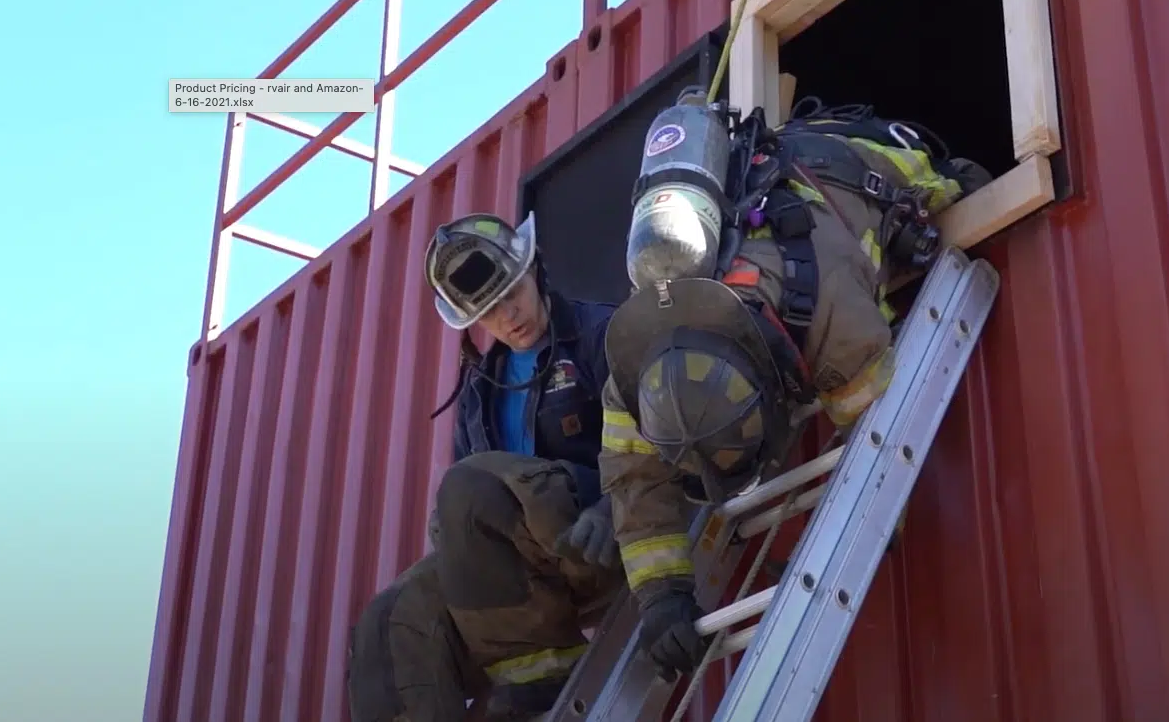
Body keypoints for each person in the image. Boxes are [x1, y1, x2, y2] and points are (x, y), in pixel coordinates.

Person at [597, 98, 992, 679]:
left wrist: (844, 545)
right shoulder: (637, 369)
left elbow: (882, 449)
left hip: (862, 154)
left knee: (960, 180)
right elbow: (633, 475)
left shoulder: (836, 318)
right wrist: (661, 597)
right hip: (767, 185)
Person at [347, 212, 623, 722]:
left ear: (533, 269)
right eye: (491, 311)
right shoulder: (478, 392)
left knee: (467, 485)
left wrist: (614, 506)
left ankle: (540, 676)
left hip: (600, 532)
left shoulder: (600, 334)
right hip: (526, 569)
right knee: (389, 619)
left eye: (513, 294)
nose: (508, 316)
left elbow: (657, 434)